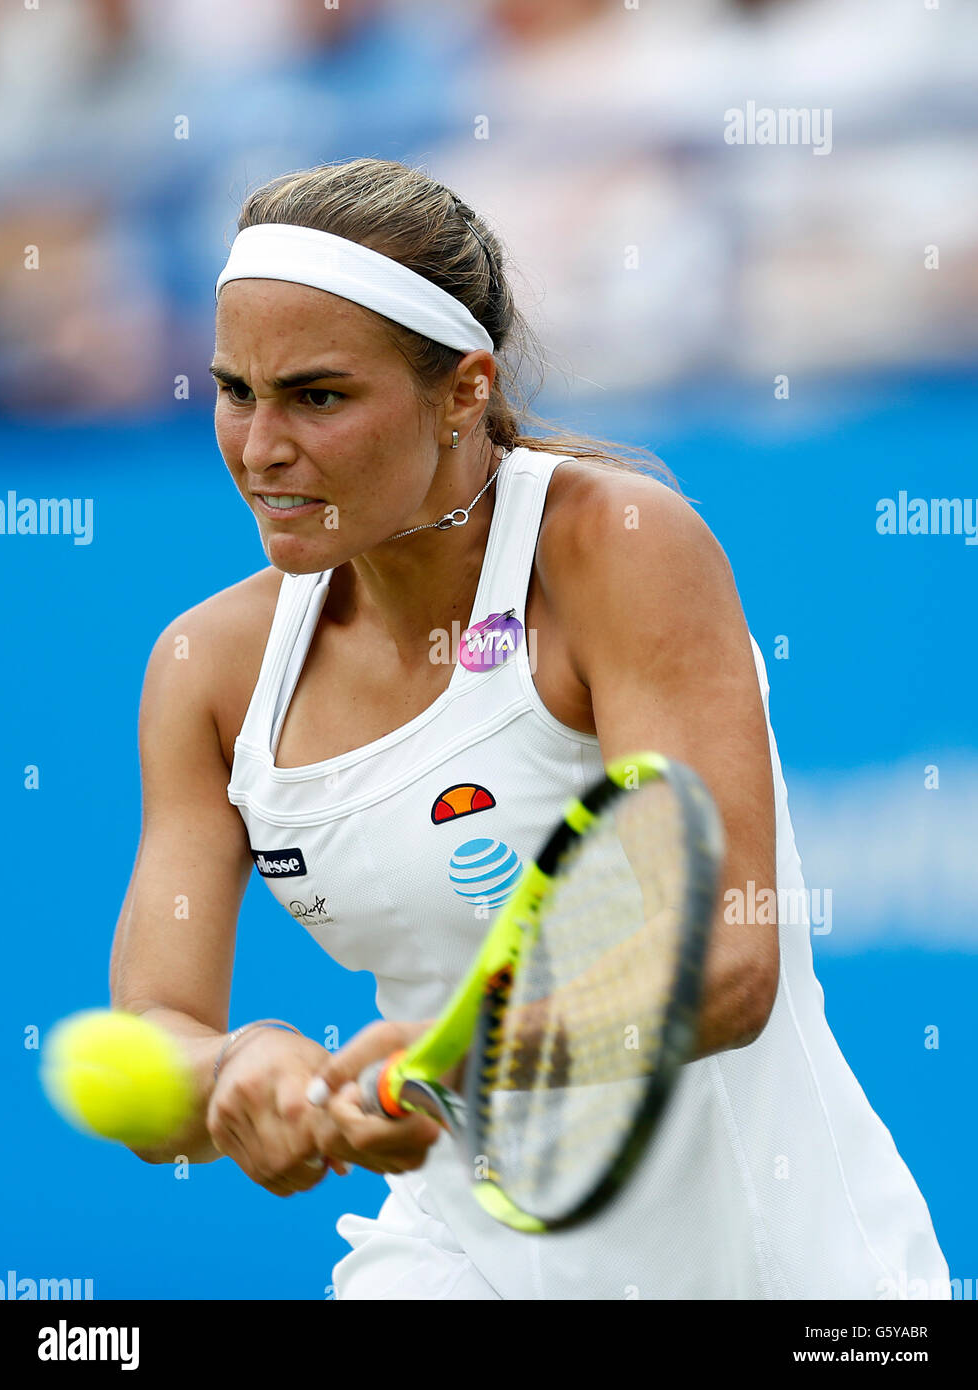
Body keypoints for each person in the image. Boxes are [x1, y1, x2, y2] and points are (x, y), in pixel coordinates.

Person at [110, 156, 948, 1300]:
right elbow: (156, 1023)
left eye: (317, 395)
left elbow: (726, 968)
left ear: (465, 389)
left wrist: (459, 1062)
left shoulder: (621, 548)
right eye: (235, 391)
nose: (260, 448)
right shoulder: (206, 669)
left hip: (785, 1271)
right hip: (453, 1262)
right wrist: (231, 1076)